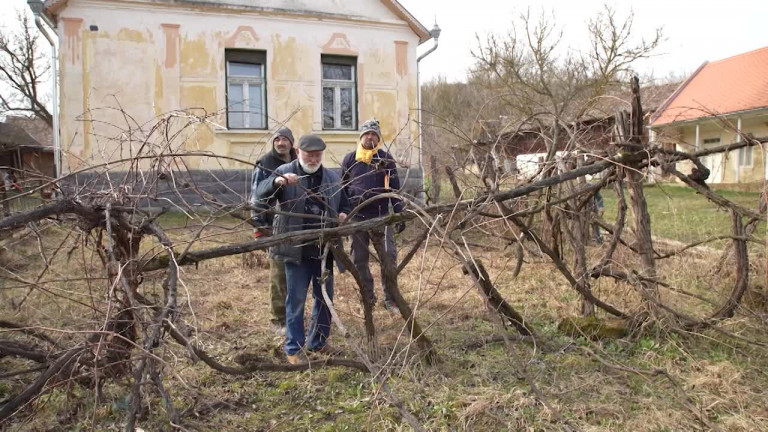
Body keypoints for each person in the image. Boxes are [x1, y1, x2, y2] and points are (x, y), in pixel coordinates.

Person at [255, 134, 350, 364]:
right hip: (295, 251)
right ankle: (293, 349)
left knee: (324, 299)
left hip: (323, 251)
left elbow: (345, 202)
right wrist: (278, 182)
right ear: (298, 152)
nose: (314, 159)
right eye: (309, 154)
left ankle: (317, 342)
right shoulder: (285, 172)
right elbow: (259, 194)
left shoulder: (331, 177)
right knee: (295, 300)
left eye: (318, 155)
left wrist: (344, 212)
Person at [341, 119, 404, 313]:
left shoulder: (385, 159)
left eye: (374, 134)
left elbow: (394, 187)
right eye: (367, 134)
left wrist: (399, 211)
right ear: (361, 136)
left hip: (381, 217)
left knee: (389, 257)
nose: (370, 137)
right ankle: (367, 297)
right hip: (357, 218)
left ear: (378, 138)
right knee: (359, 259)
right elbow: (342, 188)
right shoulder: (350, 159)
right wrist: (342, 212)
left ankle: (391, 299)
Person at [249, 127, 297, 336]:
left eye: (284, 139)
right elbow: (256, 196)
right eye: (277, 139)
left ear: (291, 142)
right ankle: (278, 320)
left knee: (296, 274)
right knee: (278, 275)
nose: (280, 143)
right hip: (273, 226)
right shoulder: (265, 164)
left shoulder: (299, 161)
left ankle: (293, 317)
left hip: (299, 225)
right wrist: (259, 226)